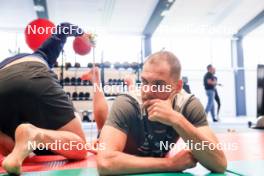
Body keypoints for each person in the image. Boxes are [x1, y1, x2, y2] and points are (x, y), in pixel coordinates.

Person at [97, 51, 227, 175]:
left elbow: (219, 164)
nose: (147, 91)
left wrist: (177, 120)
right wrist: (170, 164)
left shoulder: (188, 105)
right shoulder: (127, 103)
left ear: (177, 86)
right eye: (144, 82)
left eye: (159, 84)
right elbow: (105, 162)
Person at [0, 23, 88, 175]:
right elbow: (65, 28)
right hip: (34, 75)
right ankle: (36, 134)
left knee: (13, 146)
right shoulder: (42, 53)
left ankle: (17, 154)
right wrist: (84, 35)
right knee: (79, 147)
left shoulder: (6, 62)